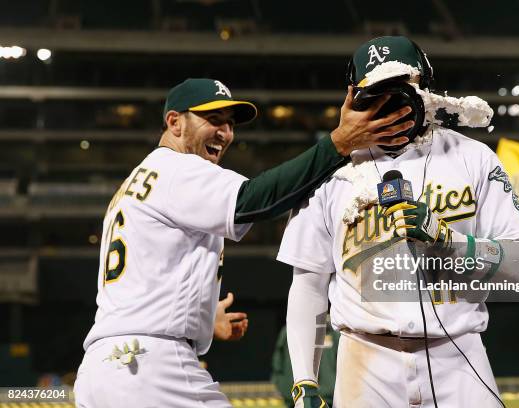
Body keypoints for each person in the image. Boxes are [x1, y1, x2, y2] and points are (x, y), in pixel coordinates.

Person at [73, 77, 414, 408]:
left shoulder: (139, 180)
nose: (225, 132)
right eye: (213, 119)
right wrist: (338, 143)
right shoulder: (175, 169)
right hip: (150, 366)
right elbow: (255, 200)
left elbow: (148, 275)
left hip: (105, 366)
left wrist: (200, 318)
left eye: (230, 124)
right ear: (174, 122)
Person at [277, 36, 519, 408]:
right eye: (376, 96)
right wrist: (304, 378)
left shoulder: (474, 158)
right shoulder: (329, 172)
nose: (390, 107)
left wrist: (448, 241)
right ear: (354, 100)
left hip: (458, 355)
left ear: (426, 91)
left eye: (400, 92)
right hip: (364, 360)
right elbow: (308, 284)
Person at [271, 317, 339, 407]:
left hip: (328, 395)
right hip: (295, 393)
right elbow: (278, 361)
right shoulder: (290, 331)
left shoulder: (333, 333)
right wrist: (280, 383)